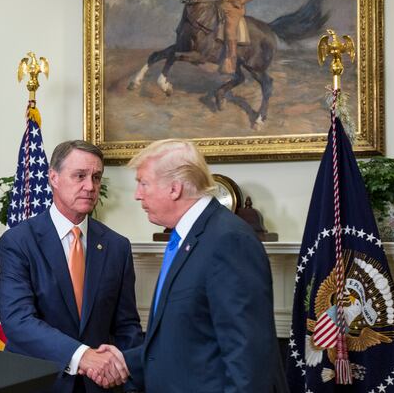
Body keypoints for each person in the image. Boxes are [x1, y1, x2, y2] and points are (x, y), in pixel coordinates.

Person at [114, 139, 285, 392]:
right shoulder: (187, 238)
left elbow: (248, 358)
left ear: (174, 189)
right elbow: (188, 340)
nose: (138, 194)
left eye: (143, 183)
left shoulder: (228, 240)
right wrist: (122, 361)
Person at [0, 140, 143, 392]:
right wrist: (82, 356)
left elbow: (126, 325)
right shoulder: (19, 241)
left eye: (96, 177)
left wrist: (124, 371)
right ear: (53, 177)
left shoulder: (117, 246)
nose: (90, 186)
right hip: (39, 383)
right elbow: (18, 320)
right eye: (80, 176)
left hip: (100, 386)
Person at [218, 0, 259, 74]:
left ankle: (231, 62)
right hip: (220, 6)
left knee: (230, 30)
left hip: (234, 8)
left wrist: (241, 0)